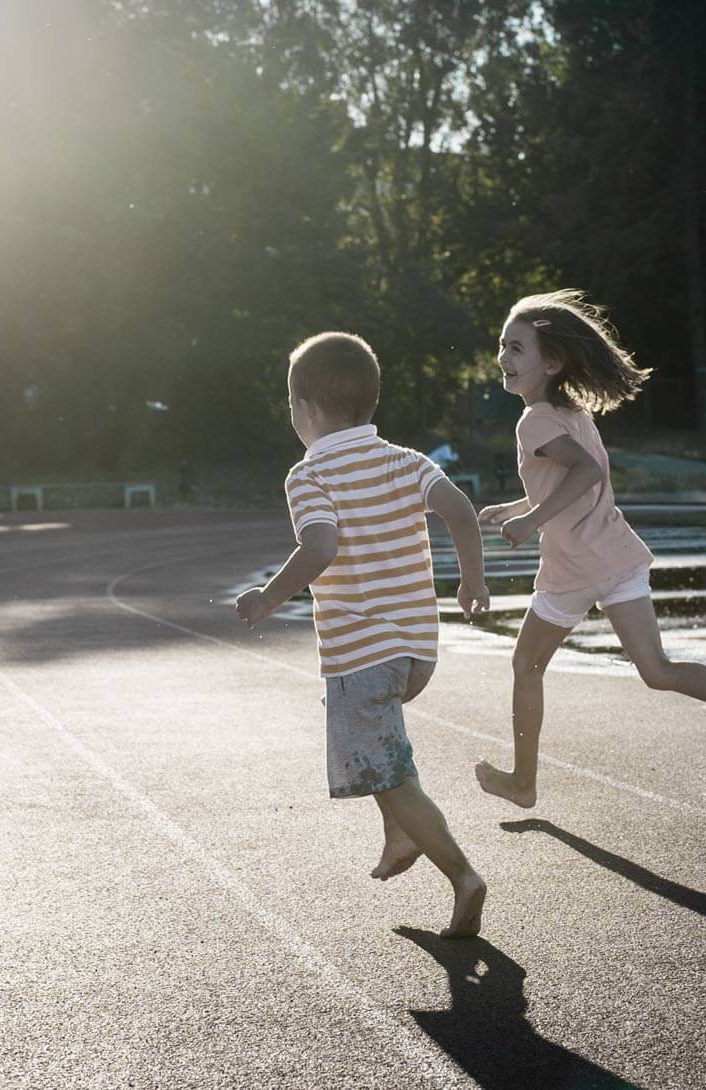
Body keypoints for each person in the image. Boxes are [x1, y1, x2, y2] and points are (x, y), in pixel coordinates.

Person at [473, 290, 706, 809]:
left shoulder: (535, 421)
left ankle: (523, 782)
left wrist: (529, 522)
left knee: (526, 666)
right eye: (503, 345)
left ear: (550, 362)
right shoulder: (571, 413)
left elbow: (585, 473)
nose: (504, 356)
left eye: (518, 348)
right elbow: (566, 482)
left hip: (573, 568)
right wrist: (514, 508)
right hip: (616, 556)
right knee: (657, 670)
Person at [235, 331, 492, 939]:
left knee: (388, 771)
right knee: (380, 755)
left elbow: (320, 544)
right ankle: (401, 834)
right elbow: (459, 509)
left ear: (304, 409)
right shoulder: (408, 460)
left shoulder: (308, 474)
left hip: (361, 654)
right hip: (416, 650)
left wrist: (271, 596)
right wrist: (472, 579)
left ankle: (462, 874)